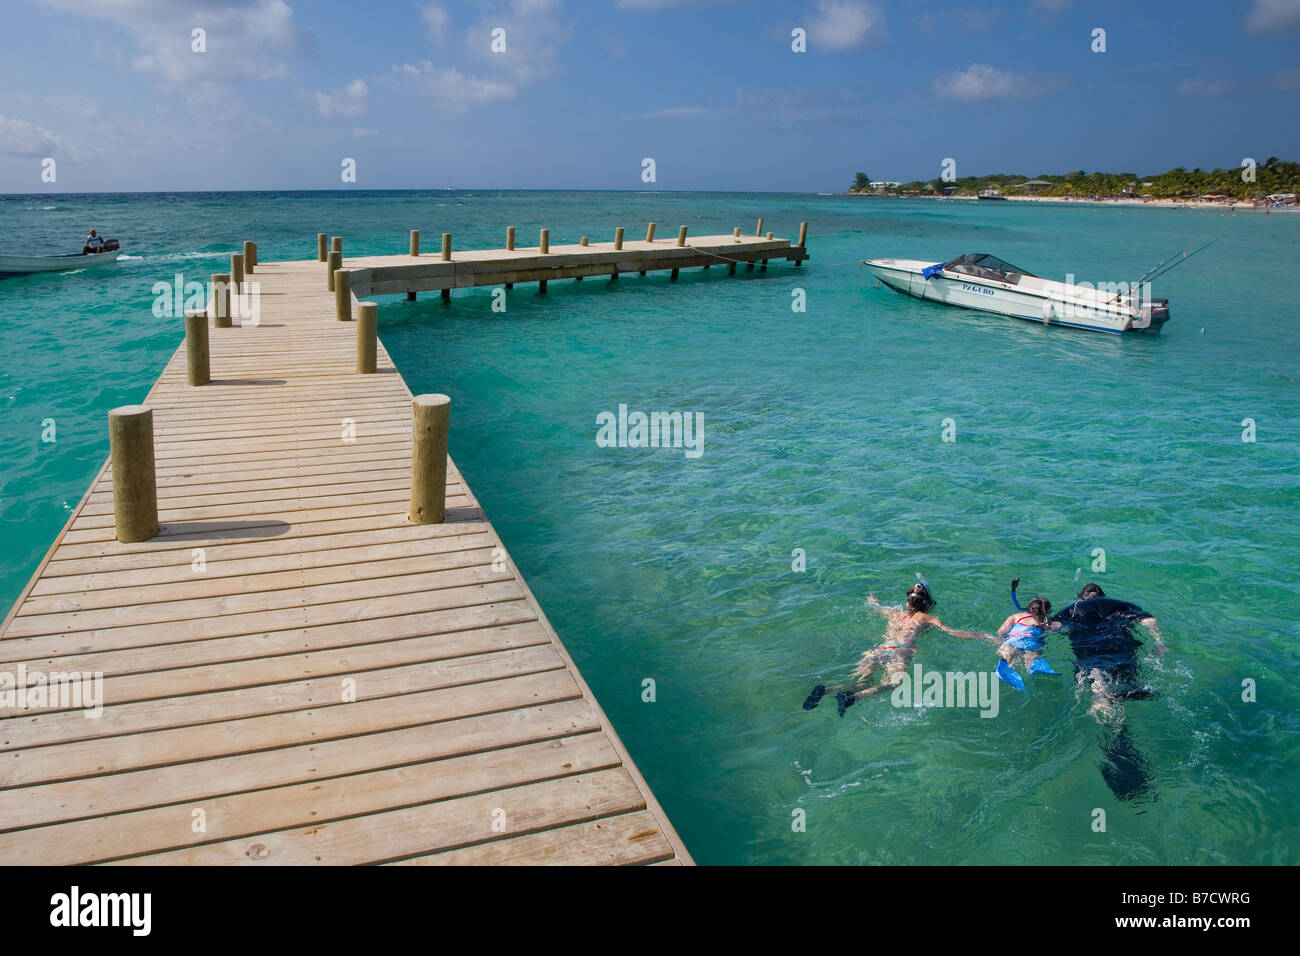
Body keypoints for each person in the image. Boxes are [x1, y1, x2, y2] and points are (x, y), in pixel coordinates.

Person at [1052, 582, 1167, 801]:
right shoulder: (1119, 605)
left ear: (1082, 596)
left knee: (1102, 697)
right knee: (1118, 694)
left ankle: (1118, 746)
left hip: (1095, 659)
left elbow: (1050, 628)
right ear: (1102, 596)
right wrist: (1159, 641)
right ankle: (1121, 735)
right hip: (1124, 656)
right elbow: (1149, 621)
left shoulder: (1073, 609)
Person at [803, 580, 983, 717]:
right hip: (900, 650)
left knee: (863, 682)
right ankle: (852, 698)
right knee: (894, 683)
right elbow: (953, 632)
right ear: (926, 605)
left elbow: (875, 607)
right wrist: (983, 636)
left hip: (879, 649)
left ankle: (827, 689)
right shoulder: (928, 619)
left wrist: (872, 599)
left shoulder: (893, 613)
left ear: (908, 602)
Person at [992, 597, 1061, 690]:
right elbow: (1057, 628)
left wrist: (1000, 641)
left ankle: (1003, 665)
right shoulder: (1046, 620)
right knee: (1032, 655)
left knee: (1008, 655)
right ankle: (1034, 666)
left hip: (1012, 641)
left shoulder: (1015, 616)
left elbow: (1001, 631)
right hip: (1031, 642)